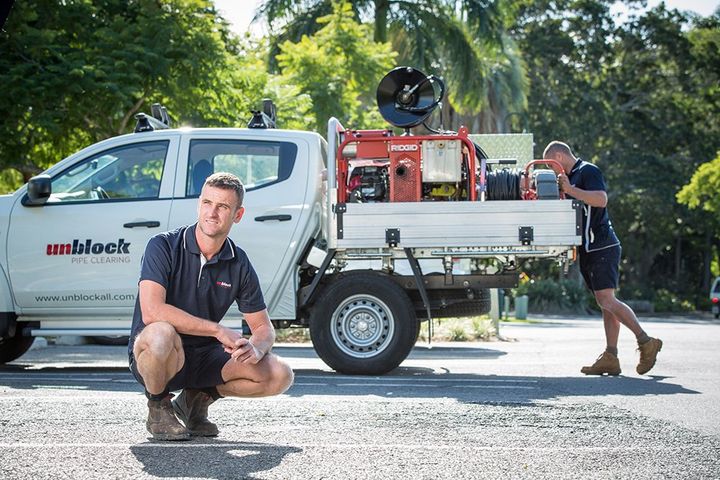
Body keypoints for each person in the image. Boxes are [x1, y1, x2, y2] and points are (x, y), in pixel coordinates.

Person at [128, 172, 294, 440]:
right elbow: (152, 311)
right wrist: (218, 331)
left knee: (279, 374)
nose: (212, 213)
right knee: (160, 333)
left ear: (237, 215)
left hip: (207, 357)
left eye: (223, 206)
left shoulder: (238, 262)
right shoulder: (163, 246)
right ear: (198, 205)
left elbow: (263, 327)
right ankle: (158, 405)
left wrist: (257, 347)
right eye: (207, 203)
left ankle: (197, 399)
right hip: (162, 356)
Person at [543, 141, 662, 376]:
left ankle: (646, 341)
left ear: (559, 155)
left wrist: (570, 190)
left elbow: (601, 199)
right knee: (606, 304)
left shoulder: (587, 170)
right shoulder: (571, 177)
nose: (552, 169)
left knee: (606, 300)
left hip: (603, 246)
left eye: (550, 164)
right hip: (589, 248)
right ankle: (611, 356)